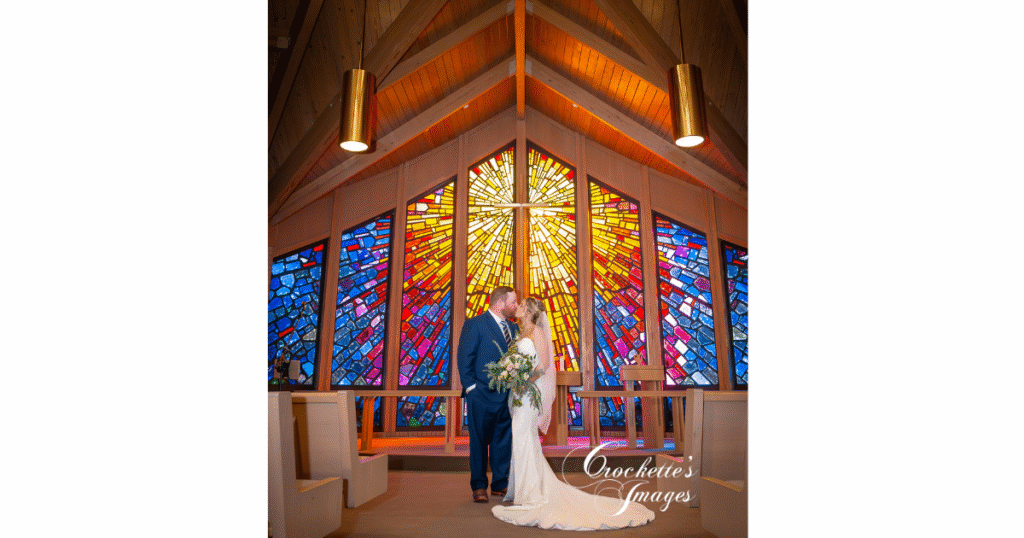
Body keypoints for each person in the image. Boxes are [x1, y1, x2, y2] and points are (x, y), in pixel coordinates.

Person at [491, 297, 655, 530]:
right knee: (521, 439)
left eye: (520, 305)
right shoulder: (521, 333)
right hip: (519, 395)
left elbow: (544, 365)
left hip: (528, 394)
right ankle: (525, 491)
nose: (516, 307)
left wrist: (525, 380)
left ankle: (532, 494)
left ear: (527, 311)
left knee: (524, 437)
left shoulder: (536, 332)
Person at [457, 286, 519, 503]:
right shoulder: (475, 324)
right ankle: (479, 485)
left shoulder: (513, 329)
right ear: (500, 303)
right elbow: (465, 358)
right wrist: (471, 388)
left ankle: (500, 484)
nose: (516, 307)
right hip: (481, 395)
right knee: (479, 441)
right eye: (513, 302)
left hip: (506, 395)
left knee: (503, 440)